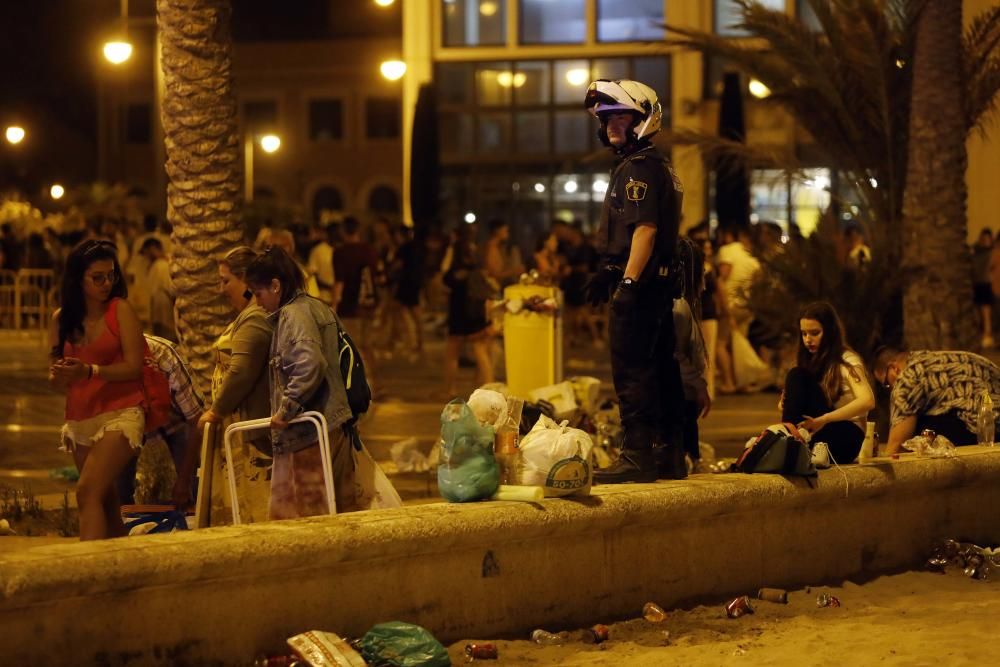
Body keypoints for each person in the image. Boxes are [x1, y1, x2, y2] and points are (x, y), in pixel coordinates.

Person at [583, 78, 685, 483]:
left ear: (642, 119)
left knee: (632, 371)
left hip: (641, 288)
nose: (610, 125)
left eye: (619, 117)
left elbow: (645, 231)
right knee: (662, 368)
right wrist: (607, 271)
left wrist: (626, 283)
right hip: (657, 285)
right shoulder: (658, 165)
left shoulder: (639, 168)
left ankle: (638, 456)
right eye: (606, 118)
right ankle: (670, 454)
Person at [244, 246, 392, 518]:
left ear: (276, 286)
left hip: (310, 432)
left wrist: (286, 410)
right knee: (340, 509)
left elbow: (309, 364)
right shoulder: (315, 306)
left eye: (258, 293)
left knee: (314, 517)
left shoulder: (294, 315)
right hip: (332, 424)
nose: (257, 302)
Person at [48, 239, 145, 540]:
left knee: (87, 491)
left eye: (111, 275)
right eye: (98, 277)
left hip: (121, 412)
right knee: (104, 498)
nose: (107, 283)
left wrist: (90, 371)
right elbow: (53, 374)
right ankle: (120, 568)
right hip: (80, 417)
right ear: (79, 279)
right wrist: (60, 375)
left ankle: (86, 576)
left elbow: (134, 367)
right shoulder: (62, 319)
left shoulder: (121, 310)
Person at [197, 246, 275, 524]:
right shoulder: (249, 315)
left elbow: (241, 372)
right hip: (236, 428)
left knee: (253, 507)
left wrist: (215, 412)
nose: (221, 288)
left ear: (246, 280)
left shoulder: (255, 318)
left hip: (246, 433)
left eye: (226, 280)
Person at [116, 334, 205, 508]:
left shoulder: (165, 357)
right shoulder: (106, 363)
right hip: (131, 417)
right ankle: (121, 522)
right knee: (117, 485)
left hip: (178, 418)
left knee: (194, 487)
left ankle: (196, 519)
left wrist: (184, 481)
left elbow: (196, 421)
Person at [780, 302, 875, 464]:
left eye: (814, 333)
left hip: (846, 434)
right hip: (817, 431)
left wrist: (824, 419)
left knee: (797, 374)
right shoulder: (808, 361)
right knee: (796, 374)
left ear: (830, 332)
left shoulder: (846, 360)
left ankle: (786, 443)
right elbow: (785, 405)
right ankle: (787, 441)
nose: (808, 340)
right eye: (804, 334)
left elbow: (868, 400)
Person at [873, 347, 1000, 454]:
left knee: (919, 434)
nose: (890, 388)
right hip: (992, 420)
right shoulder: (934, 358)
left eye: (886, 383)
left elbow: (897, 444)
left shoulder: (907, 377)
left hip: (985, 429)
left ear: (894, 368)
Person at [443, 225, 495, 397]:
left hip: (459, 306)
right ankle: (489, 389)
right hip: (476, 306)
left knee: (452, 350)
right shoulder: (476, 253)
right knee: (480, 349)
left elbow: (446, 276)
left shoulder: (455, 250)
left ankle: (450, 389)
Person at [716, 226, 763, 392]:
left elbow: (722, 277)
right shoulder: (754, 261)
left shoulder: (727, 250)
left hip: (730, 304)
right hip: (747, 307)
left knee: (720, 344)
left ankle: (729, 382)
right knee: (739, 344)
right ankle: (743, 382)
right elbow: (758, 287)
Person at [333, 216, 380, 381]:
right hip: (368, 304)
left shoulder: (340, 253)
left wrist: (334, 305)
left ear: (343, 232)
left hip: (349, 306)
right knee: (367, 345)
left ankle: (357, 385)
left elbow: (340, 282)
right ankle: (377, 383)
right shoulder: (370, 251)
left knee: (351, 347)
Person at [140, 238, 176, 341]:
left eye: (146, 252)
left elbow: (170, 289)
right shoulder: (160, 263)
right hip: (159, 308)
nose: (145, 256)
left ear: (152, 249)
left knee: (165, 338)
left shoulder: (161, 264)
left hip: (163, 308)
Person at [971, 229, 994, 349]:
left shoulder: (993, 253)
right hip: (977, 283)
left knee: (986, 312)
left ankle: (987, 335)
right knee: (977, 311)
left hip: (986, 284)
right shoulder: (976, 252)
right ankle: (981, 335)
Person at [307, 224, 337, 305]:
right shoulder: (329, 250)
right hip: (330, 297)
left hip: (323, 298)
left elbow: (313, 275)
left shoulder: (316, 251)